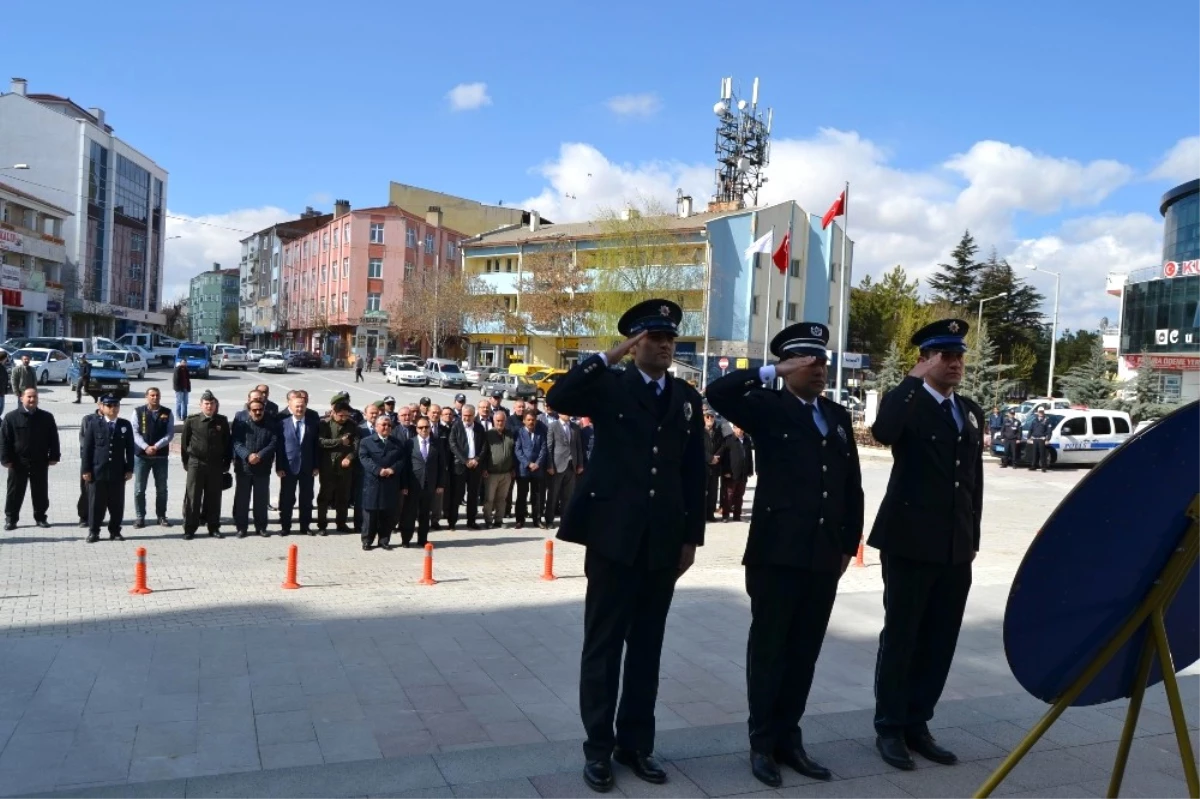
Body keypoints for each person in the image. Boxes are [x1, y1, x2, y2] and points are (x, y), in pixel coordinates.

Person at [546, 298, 706, 792]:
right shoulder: (610, 385)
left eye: (669, 338)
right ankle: (597, 749)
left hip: (662, 542)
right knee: (603, 647)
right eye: (652, 338)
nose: (663, 345)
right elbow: (559, 397)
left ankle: (635, 745)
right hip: (614, 540)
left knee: (647, 650)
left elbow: (692, 470)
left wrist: (690, 537)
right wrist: (610, 355)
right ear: (635, 344)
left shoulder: (683, 396)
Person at [705, 322, 864, 787]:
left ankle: (789, 738)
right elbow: (718, 390)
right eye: (809, 361)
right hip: (777, 553)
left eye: (823, 360)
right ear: (791, 364)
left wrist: (848, 542)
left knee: (805, 652)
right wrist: (770, 369)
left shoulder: (835, 415)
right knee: (771, 649)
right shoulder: (766, 407)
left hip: (823, 554)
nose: (819, 368)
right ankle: (761, 743)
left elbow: (849, 484)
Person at [869, 318, 984, 771]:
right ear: (925, 359)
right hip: (910, 543)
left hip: (956, 548)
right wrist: (909, 382)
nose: (955, 363)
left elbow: (971, 482)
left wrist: (972, 538)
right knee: (902, 636)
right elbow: (884, 432)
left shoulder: (968, 409)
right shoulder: (910, 404)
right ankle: (890, 727)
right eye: (944, 355)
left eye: (958, 355)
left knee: (940, 639)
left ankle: (919, 722)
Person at [0, 387, 60, 530]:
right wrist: (5, 459)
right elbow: (4, 440)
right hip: (18, 462)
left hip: (40, 460)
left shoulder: (46, 417)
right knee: (15, 492)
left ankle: (40, 517)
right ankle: (11, 519)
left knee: (40, 491)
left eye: (34, 397)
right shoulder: (11, 417)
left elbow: (54, 438)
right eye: (29, 397)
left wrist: (54, 456)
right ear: (21, 399)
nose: (32, 400)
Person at [81, 395, 135, 543]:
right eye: (109, 406)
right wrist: (86, 470)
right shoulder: (94, 424)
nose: (113, 409)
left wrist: (130, 468)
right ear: (102, 408)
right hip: (98, 471)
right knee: (96, 504)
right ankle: (94, 531)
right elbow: (87, 448)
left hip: (117, 471)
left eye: (116, 406)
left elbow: (130, 448)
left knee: (116, 503)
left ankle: (115, 531)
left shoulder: (125, 425)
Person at [180, 390, 232, 539]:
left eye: (212, 403)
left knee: (214, 497)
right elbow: (184, 444)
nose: (209, 406)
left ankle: (213, 527)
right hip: (196, 463)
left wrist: (226, 463)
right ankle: (190, 528)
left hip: (215, 464)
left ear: (216, 405)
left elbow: (227, 444)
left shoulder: (222, 421)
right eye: (206, 404)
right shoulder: (192, 420)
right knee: (193, 497)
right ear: (201, 405)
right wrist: (186, 463)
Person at [358, 414, 408, 551]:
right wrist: (378, 470)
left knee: (388, 514)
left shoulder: (397, 443)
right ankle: (367, 540)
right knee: (370, 514)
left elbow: (402, 460)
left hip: (390, 483)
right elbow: (364, 458)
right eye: (383, 425)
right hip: (373, 483)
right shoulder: (366, 442)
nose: (386, 427)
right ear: (376, 427)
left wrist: (393, 469)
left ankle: (384, 540)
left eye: (389, 425)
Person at [277, 389, 320, 536]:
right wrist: (279, 467)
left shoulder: (313, 423)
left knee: (306, 499)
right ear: (290, 405)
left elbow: (316, 446)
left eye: (302, 406)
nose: (300, 409)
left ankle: (305, 526)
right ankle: (285, 526)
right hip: (288, 468)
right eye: (297, 406)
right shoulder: (282, 423)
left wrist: (316, 466)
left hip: (308, 468)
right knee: (287, 498)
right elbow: (280, 448)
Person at [232, 397, 277, 538]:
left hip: (262, 468)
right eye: (254, 410)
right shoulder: (241, 424)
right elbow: (236, 442)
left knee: (261, 500)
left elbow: (274, 442)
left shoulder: (271, 424)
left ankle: (261, 527)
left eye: (260, 409)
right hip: (244, 468)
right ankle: (241, 528)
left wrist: (260, 455)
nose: (258, 412)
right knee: (242, 500)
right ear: (249, 411)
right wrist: (248, 455)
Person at [399, 413, 446, 548]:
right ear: (416, 429)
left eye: (426, 427)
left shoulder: (436, 443)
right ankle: (406, 539)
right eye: (421, 428)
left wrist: (440, 484)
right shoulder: (409, 443)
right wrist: (404, 485)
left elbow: (442, 465)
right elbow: (405, 466)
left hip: (429, 484)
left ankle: (422, 539)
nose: (424, 430)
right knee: (409, 514)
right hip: (413, 485)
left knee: (425, 514)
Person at [131, 387, 174, 528]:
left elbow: (170, 434)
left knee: (162, 488)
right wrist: (145, 447)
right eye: (152, 395)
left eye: (157, 395)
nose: (155, 398)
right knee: (139, 489)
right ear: (146, 397)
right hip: (142, 456)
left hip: (160, 456)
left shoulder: (167, 413)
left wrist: (157, 446)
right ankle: (140, 516)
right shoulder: (138, 412)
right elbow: (135, 432)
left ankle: (161, 516)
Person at [317, 401, 358, 533]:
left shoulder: (352, 425)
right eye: (341, 415)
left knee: (343, 497)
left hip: (345, 468)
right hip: (328, 466)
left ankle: (341, 523)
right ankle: (322, 525)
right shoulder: (325, 424)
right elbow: (321, 442)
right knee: (325, 497)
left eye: (346, 415)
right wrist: (339, 441)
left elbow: (356, 446)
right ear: (333, 413)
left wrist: (349, 457)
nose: (344, 418)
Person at [448, 404, 487, 530]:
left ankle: (471, 521)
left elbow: (484, 446)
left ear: (474, 415)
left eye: (470, 416)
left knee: (473, 495)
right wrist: (465, 460)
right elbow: (453, 445)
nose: (467, 418)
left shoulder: (479, 428)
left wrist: (477, 459)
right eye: (465, 415)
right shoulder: (456, 426)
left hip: (475, 467)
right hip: (460, 466)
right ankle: (452, 522)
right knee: (457, 495)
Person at [543, 403, 583, 529]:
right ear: (559, 413)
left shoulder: (575, 428)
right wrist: (549, 465)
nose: (568, 414)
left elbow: (578, 447)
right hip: (557, 465)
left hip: (571, 466)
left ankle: (565, 521)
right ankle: (549, 520)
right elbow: (549, 447)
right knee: (553, 495)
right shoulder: (553, 426)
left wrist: (580, 464)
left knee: (568, 496)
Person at [513, 410, 546, 529]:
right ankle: (519, 520)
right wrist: (528, 464)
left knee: (536, 496)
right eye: (529, 420)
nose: (531, 422)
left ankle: (537, 520)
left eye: (533, 420)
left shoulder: (540, 433)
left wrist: (537, 463)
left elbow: (543, 449)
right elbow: (518, 450)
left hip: (537, 470)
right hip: (523, 470)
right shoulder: (519, 433)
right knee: (522, 495)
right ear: (524, 421)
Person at [481, 409, 514, 528]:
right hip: (491, 473)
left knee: (502, 498)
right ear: (494, 421)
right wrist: (484, 468)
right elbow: (483, 453)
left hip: (506, 473)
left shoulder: (510, 434)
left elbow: (513, 452)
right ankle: (488, 520)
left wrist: (513, 468)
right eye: (498, 421)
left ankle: (498, 520)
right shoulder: (488, 434)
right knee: (489, 498)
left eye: (502, 420)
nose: (500, 423)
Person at [720, 424, 754, 522]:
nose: (739, 430)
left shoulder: (747, 440)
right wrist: (726, 471)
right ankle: (725, 515)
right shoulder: (729, 440)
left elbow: (749, 457)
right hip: (731, 473)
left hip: (743, 473)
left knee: (739, 495)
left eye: (741, 428)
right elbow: (724, 457)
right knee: (729, 495)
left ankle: (737, 516)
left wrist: (750, 470)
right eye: (737, 428)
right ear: (734, 428)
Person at [702, 411, 724, 522]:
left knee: (713, 492)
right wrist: (710, 458)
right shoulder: (700, 432)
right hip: (703, 466)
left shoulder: (717, 432)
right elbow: (698, 448)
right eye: (707, 416)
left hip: (715, 467)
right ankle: (702, 515)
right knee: (702, 491)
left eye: (712, 416)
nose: (710, 418)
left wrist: (716, 457)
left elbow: (722, 446)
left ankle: (710, 514)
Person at [0, 350, 9, 416]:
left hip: (2, 392)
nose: (7, 360)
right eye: (6, 358)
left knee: (1, 408)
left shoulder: (3, 367)